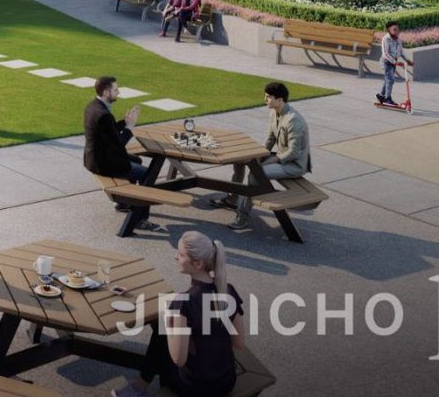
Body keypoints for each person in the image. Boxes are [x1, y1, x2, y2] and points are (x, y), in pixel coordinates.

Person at [117, 230, 244, 397]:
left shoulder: (184, 302)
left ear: (198, 264)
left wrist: (169, 322)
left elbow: (178, 359)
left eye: (181, 254)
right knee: (163, 327)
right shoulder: (228, 290)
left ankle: (139, 387)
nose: (176, 257)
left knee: (161, 332)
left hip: (195, 388)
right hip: (226, 382)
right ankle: (139, 387)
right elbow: (239, 343)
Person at [209, 82, 309, 231]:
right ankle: (232, 198)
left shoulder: (294, 120)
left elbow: (294, 152)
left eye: (268, 97)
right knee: (241, 161)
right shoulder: (274, 112)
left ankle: (242, 216)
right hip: (280, 156)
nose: (265, 99)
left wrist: (273, 160)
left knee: (255, 176)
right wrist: (258, 155)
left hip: (292, 164)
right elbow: (270, 139)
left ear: (280, 100)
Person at [82, 76, 151, 186]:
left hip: (94, 159)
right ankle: (138, 202)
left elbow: (108, 131)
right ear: (105, 93)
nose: (118, 92)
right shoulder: (104, 115)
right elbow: (119, 144)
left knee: (137, 160)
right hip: (104, 164)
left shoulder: (92, 106)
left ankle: (130, 195)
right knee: (149, 174)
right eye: (115, 90)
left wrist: (124, 122)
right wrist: (129, 127)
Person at [377, 21, 413, 106]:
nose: (397, 31)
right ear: (389, 30)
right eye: (394, 30)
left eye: (398, 29)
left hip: (393, 63)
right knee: (390, 80)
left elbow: (401, 52)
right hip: (386, 61)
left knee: (388, 80)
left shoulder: (398, 40)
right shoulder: (385, 39)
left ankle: (381, 95)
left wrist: (407, 60)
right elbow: (385, 54)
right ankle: (387, 99)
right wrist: (395, 62)